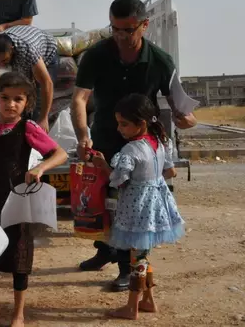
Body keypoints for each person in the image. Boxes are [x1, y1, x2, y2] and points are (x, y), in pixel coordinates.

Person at [71, 0, 197, 291]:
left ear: (145, 25)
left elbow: (182, 108)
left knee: (135, 206)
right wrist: (82, 136)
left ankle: (130, 269)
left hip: (142, 145)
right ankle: (106, 252)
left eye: (128, 30)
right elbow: (79, 98)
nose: (121, 36)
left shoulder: (161, 61)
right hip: (105, 136)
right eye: (115, 29)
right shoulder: (96, 55)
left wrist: (186, 120)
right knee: (105, 200)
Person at [0, 71, 68, 327]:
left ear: (27, 103)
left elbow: (60, 154)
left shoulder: (28, 128)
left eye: (17, 99)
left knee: (19, 257)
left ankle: (18, 314)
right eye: (5, 98)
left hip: (18, 203)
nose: (10, 104)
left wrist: (39, 168)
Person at [88, 93, 185, 320]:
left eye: (124, 124)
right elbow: (171, 171)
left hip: (137, 208)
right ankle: (148, 300)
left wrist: (102, 164)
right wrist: (152, 179)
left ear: (141, 123)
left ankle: (131, 307)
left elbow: (118, 179)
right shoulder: (161, 142)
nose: (120, 129)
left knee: (137, 258)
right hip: (156, 206)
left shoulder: (130, 151)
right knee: (142, 254)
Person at [0, 25, 59, 133]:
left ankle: (35, 134)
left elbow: (47, 83)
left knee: (36, 100)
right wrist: (1, 101)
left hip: (47, 49)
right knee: (18, 90)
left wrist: (44, 118)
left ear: (12, 49)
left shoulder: (28, 50)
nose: (1, 65)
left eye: (4, 60)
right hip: (20, 45)